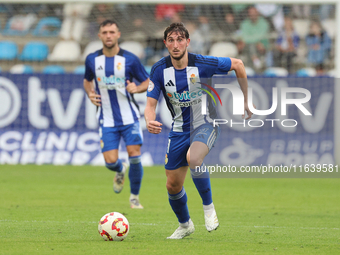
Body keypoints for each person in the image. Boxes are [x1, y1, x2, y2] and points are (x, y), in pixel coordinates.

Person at [144, 22, 253, 239]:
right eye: (171, 40)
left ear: (187, 42)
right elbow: (150, 105)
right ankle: (185, 225)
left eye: (180, 39)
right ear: (165, 43)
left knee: (193, 158)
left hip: (206, 123)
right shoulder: (159, 69)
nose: (176, 45)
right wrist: (149, 120)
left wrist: (245, 101)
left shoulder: (203, 63)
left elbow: (239, 64)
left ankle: (209, 208)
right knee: (172, 185)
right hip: (178, 130)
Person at [84, 19, 150, 209]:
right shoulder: (92, 60)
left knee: (134, 154)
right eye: (105, 32)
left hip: (130, 117)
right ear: (99, 36)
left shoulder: (130, 59)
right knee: (110, 161)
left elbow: (147, 82)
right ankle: (120, 170)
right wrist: (90, 93)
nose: (108, 36)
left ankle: (134, 197)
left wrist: (136, 88)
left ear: (118, 34)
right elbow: (87, 81)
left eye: (112, 32)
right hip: (107, 119)